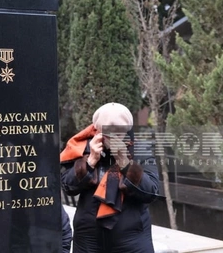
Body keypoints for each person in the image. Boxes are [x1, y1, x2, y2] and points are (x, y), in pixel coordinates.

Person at [60, 102, 159, 253]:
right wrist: (90, 161)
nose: (113, 138)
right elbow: (68, 187)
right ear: (97, 129)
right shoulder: (83, 148)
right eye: (107, 132)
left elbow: (151, 192)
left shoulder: (139, 150)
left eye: (119, 133)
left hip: (132, 241)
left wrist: (125, 163)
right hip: (88, 241)